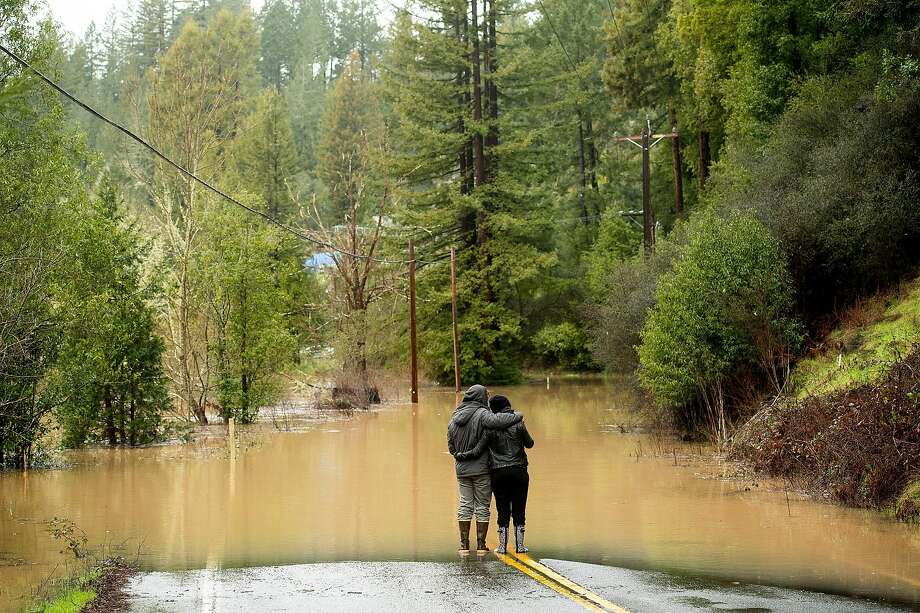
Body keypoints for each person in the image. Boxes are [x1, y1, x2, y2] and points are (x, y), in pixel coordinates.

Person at [447, 385, 522, 554]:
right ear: (480, 397)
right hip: (481, 469)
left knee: (465, 504)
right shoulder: (482, 415)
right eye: (485, 395)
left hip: (462, 470)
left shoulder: (454, 418)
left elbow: (451, 448)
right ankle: (481, 545)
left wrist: (461, 455)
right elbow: (501, 421)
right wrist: (518, 415)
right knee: (482, 505)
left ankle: (464, 545)